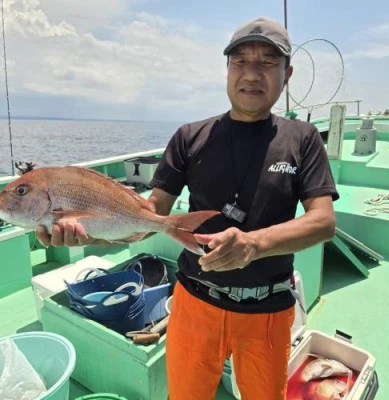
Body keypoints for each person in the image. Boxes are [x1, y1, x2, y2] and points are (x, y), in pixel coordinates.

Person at [37, 17, 339, 400]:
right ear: (227, 69)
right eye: (240, 61)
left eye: (266, 62)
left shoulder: (304, 138)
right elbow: (146, 218)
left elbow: (323, 222)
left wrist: (253, 244)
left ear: (287, 73)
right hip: (195, 303)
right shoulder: (189, 136)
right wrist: (88, 233)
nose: (252, 73)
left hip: (268, 310)